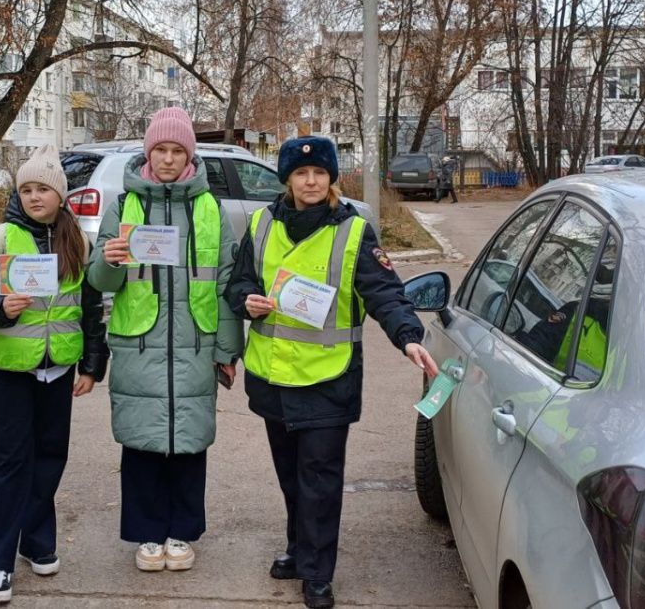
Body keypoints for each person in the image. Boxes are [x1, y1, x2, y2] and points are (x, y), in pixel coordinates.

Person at [224, 136, 440, 609]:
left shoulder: (353, 231)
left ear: (331, 178)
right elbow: (238, 281)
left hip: (327, 380)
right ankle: (300, 551)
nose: (311, 181)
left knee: (319, 479)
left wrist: (408, 336)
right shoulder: (261, 224)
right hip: (273, 377)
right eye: (302, 174)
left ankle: (318, 574)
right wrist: (246, 300)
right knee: (290, 476)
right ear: (288, 179)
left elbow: (385, 291)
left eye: (320, 173)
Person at [86, 107, 243, 575]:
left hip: (196, 347)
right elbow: (99, 281)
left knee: (190, 446)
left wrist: (227, 350)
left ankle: (182, 532)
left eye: (178, 150)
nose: (169, 159)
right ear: (148, 152)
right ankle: (148, 534)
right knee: (141, 446)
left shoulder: (209, 209)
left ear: (189, 154)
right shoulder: (123, 207)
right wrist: (110, 260)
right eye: (161, 150)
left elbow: (227, 283)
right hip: (139, 348)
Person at [0, 144, 108, 604]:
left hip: (59, 367)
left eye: (42, 188)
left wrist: (90, 364)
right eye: (25, 189)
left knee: (51, 456)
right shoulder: (1, 238)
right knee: (10, 461)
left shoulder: (77, 241)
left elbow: (89, 308)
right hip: (11, 367)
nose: (33, 196)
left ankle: (37, 539)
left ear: (60, 195)